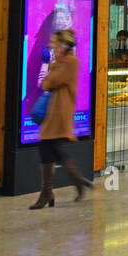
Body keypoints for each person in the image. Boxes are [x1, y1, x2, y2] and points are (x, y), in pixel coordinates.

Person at [29, 29, 92, 209]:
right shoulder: (61, 62)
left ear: (63, 46)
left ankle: (48, 193)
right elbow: (45, 82)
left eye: (55, 44)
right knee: (53, 151)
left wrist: (54, 64)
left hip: (60, 113)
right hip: (53, 112)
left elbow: (50, 82)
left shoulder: (71, 62)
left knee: (48, 148)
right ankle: (77, 183)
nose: (51, 46)